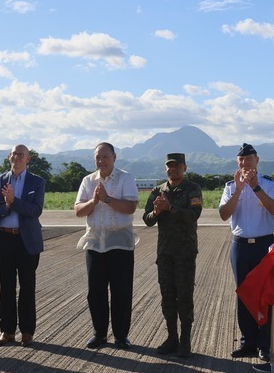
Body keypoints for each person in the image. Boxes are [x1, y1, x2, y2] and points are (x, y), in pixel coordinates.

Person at [218, 143, 274, 362]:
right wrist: (238, 190)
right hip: (240, 245)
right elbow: (224, 215)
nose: (245, 163)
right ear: (237, 163)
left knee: (266, 293)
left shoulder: (269, 183)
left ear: (257, 160)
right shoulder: (230, 186)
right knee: (244, 293)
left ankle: (265, 344)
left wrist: (255, 188)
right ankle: (248, 343)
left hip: (264, 244)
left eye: (249, 159)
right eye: (241, 160)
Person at [75, 142, 139, 349]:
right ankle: (99, 333)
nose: (101, 161)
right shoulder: (88, 180)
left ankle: (121, 335)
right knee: (96, 292)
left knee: (121, 291)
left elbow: (130, 207)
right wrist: (94, 202)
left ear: (114, 157)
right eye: (98, 158)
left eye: (105, 157)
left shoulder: (125, 178)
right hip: (95, 243)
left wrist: (107, 199)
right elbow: (78, 210)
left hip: (120, 243)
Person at [143, 153, 203, 357]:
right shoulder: (158, 190)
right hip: (165, 252)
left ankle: (185, 340)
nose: (173, 169)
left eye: (177, 166)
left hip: (185, 252)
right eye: (169, 166)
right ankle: (172, 338)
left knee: (185, 296)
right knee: (167, 296)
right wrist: (157, 213)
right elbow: (147, 219)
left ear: (184, 168)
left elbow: (194, 215)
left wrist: (170, 208)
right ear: (165, 168)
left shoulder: (192, 189)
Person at [0, 145, 46, 347]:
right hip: (4, 240)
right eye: (14, 154)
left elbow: (36, 210)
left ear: (28, 159)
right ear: (9, 157)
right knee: (6, 287)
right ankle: (7, 331)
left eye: (21, 155)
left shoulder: (37, 182)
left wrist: (15, 201)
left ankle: (27, 332)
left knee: (27, 287)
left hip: (26, 241)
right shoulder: (0, 180)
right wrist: (8, 205)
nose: (17, 157)